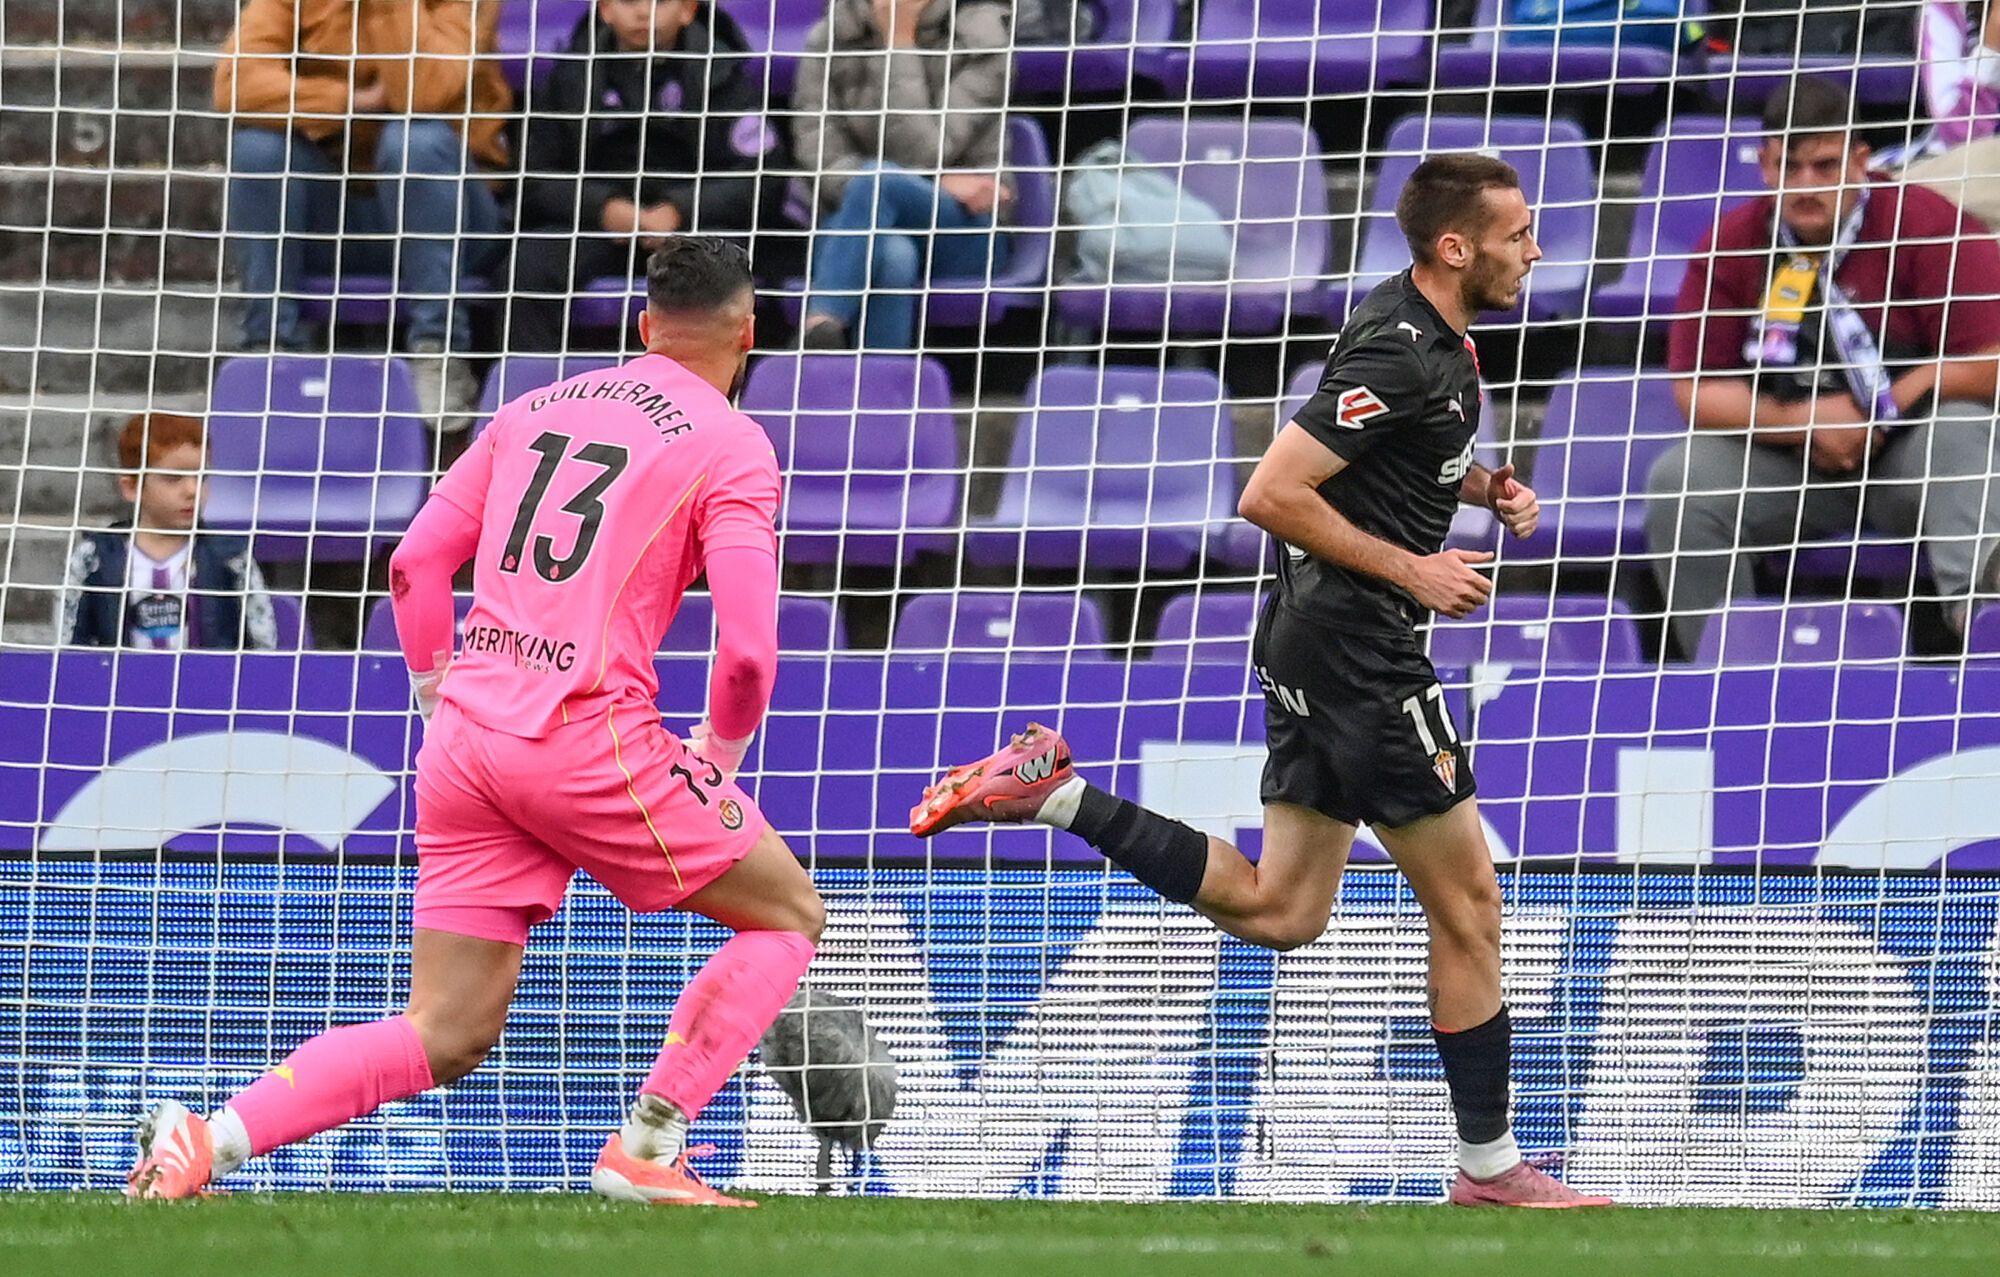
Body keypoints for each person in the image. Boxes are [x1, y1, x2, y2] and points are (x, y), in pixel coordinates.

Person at [910, 156, 1610, 1208]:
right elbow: (1269, 491)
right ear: (1455, 246)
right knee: (1468, 902)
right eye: (1517, 233)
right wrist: (1414, 566)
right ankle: (1489, 1168)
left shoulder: (1420, 331)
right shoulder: (1398, 343)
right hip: (1357, 649)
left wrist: (1478, 484)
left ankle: (1051, 791)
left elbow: (1377, 451)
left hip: (1311, 641)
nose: (1535, 249)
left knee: (1283, 909)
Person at [126, 237, 824, 1208]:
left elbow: (414, 563)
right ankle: (650, 1145)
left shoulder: (534, 407)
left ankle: (207, 1137)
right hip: (588, 734)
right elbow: (747, 651)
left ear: (640, 327)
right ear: (748, 334)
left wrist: (434, 692)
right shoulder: (731, 441)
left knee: (444, 1029)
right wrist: (718, 758)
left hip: (465, 738)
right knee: (787, 913)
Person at [1647, 77, 2000, 658]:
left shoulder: (1928, 222)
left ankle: (1986, 631)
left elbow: (1990, 362)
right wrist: (1804, 421)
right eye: (1789, 166)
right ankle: (1724, 676)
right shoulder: (1732, 243)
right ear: (1763, 164)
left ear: (1860, 161)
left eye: (1824, 165)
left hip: (1910, 458)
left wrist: (1894, 401)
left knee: (1963, 433)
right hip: (1794, 467)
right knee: (1680, 481)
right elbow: (1696, 392)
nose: (1805, 185)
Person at [213, 0, 512, 429]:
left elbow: (422, 94)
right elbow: (234, 84)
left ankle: (438, 349)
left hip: (454, 221)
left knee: (414, 141)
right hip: (338, 221)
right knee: (258, 149)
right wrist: (349, 100)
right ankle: (271, 350)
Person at [509, 0, 788, 352]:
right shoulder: (568, 77)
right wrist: (605, 209)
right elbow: (531, 178)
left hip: (696, 229)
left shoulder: (724, 74)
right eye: (628, 2)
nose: (643, 12)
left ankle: (720, 398)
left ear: (688, 9)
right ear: (605, 9)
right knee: (528, 265)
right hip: (595, 225)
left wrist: (679, 211)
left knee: (734, 266)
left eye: (660, 2)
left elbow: (763, 177)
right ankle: (534, 397)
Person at [792, 0, 1013, 350]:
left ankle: (819, 326)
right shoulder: (829, 39)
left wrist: (899, 42)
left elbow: (928, 149)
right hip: (856, 222)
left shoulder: (983, 39)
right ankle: (881, 399)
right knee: (893, 254)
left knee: (877, 180)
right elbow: (821, 157)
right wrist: (933, 181)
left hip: (965, 229)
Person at [58, 413, 276, 651]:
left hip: (209, 685)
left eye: (201, 478)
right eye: (173, 478)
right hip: (121, 685)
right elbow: (68, 643)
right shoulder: (95, 557)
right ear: (131, 487)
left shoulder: (231, 557)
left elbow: (262, 644)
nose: (192, 490)